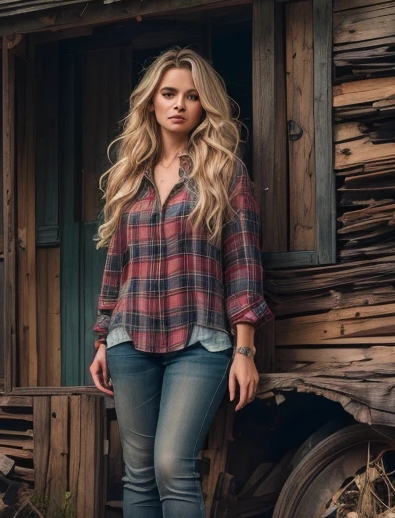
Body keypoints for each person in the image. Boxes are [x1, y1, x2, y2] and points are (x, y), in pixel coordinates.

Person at [88, 46, 274, 517]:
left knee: (172, 464)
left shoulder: (225, 172)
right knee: (138, 473)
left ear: (203, 106)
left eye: (191, 97)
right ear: (150, 101)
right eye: (168, 93)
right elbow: (117, 265)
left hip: (200, 340)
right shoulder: (128, 177)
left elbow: (243, 262)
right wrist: (102, 339)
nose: (178, 104)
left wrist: (245, 349)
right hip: (130, 339)